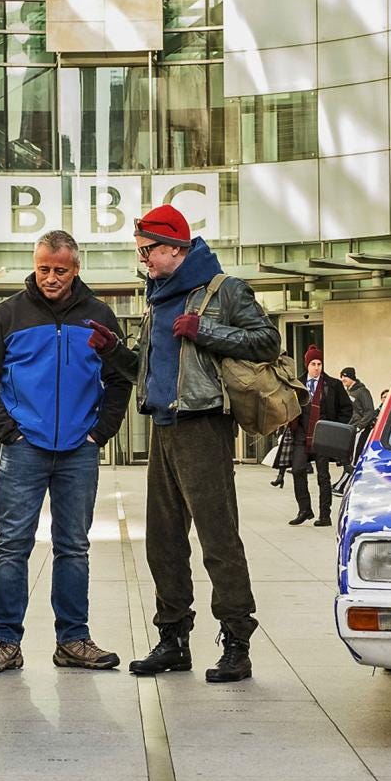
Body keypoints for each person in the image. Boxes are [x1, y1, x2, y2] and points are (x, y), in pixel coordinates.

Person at [96, 203, 280, 684]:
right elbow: (148, 366)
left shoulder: (223, 290)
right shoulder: (157, 296)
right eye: (141, 252)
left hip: (204, 426)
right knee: (163, 542)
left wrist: (207, 330)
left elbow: (267, 341)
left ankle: (236, 643)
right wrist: (114, 351)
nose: (144, 261)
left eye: (148, 251)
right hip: (164, 427)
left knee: (218, 539)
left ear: (175, 247)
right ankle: (173, 639)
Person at [0, 230, 131, 674]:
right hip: (24, 449)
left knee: (74, 547)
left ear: (76, 269)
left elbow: (121, 378)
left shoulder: (98, 317)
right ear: (34, 265)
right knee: (13, 545)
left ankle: (73, 640)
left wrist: (101, 432)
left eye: (60, 270)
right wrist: (7, 431)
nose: (51, 278)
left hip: (79, 449)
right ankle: (4, 641)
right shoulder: (6, 316)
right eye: (44, 269)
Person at [289, 346, 353, 527]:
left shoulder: (333, 385)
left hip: (323, 435)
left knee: (323, 477)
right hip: (302, 434)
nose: (317, 367)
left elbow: (346, 408)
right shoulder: (297, 384)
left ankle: (325, 515)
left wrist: (334, 428)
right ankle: (304, 509)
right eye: (313, 364)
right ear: (307, 365)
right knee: (297, 470)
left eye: (319, 364)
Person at [340, 366, 377, 463]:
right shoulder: (347, 392)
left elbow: (369, 411)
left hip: (359, 429)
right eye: (342, 377)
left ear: (352, 377)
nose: (343, 379)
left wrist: (360, 426)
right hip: (350, 428)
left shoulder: (362, 391)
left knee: (356, 454)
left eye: (345, 376)